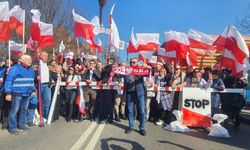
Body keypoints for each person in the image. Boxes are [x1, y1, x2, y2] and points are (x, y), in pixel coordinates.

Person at [5, 55, 36, 135]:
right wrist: (8, 93)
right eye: (28, 59)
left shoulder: (31, 70)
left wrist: (33, 89)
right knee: (14, 111)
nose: (30, 61)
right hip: (17, 93)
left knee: (24, 110)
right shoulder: (15, 68)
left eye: (31, 59)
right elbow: (9, 80)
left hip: (27, 93)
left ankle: (21, 125)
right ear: (22, 61)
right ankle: (12, 128)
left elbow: (31, 81)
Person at [122, 58, 146, 136]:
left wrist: (146, 67)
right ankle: (131, 126)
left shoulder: (140, 70)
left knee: (142, 111)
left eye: (134, 62)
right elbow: (117, 74)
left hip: (140, 93)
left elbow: (149, 72)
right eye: (131, 62)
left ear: (137, 63)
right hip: (130, 93)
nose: (132, 64)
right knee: (130, 110)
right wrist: (115, 69)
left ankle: (142, 128)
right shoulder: (126, 70)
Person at [0, 58, 13, 129]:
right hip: (2, 90)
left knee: (7, 107)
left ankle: (5, 121)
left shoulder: (13, 69)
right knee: (2, 106)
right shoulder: (2, 69)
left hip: (10, 91)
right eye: (7, 60)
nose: (8, 62)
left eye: (9, 60)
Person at [38, 51, 51, 119]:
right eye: (44, 55)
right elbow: (31, 73)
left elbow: (54, 73)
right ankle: (41, 116)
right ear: (40, 56)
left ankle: (47, 116)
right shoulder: (37, 64)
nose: (46, 57)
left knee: (48, 101)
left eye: (47, 56)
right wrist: (36, 77)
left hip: (47, 85)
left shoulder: (49, 65)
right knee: (40, 101)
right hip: (39, 84)